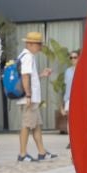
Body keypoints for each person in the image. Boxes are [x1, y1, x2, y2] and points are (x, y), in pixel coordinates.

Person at [15, 30, 56, 162]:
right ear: (31, 44)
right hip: (29, 99)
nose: (40, 47)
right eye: (38, 44)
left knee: (36, 125)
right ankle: (22, 154)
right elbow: (25, 76)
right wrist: (28, 96)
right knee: (26, 125)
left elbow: (29, 77)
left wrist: (41, 75)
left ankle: (42, 152)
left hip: (31, 98)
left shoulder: (24, 56)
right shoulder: (28, 57)